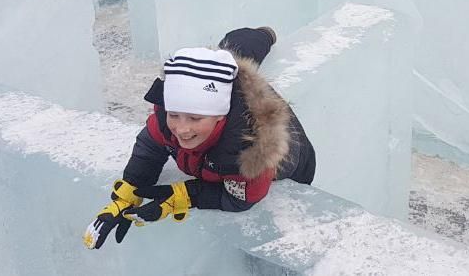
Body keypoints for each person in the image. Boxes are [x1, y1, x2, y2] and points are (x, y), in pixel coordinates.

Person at [83, 28, 316, 249]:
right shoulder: (166, 119)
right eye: (175, 115)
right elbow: (150, 147)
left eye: (195, 118)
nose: (182, 129)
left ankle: (263, 34)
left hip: (297, 164)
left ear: (220, 115)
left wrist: (186, 195)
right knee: (234, 51)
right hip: (222, 101)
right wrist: (130, 190)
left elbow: (240, 199)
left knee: (239, 56)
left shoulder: (250, 152)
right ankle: (262, 35)